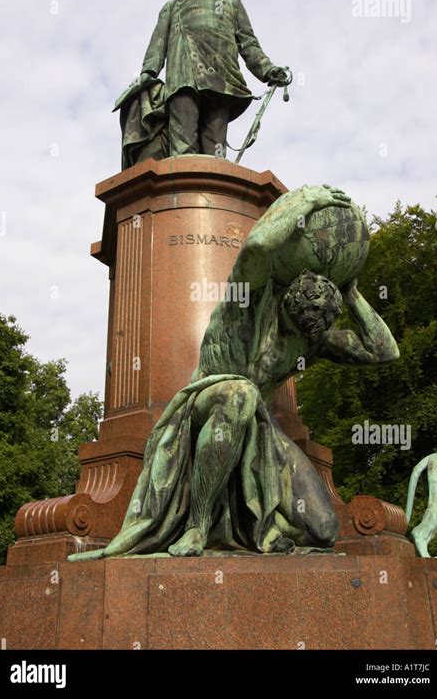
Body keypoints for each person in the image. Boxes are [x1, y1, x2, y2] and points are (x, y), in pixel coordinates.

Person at [68, 185, 400, 561]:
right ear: (289, 296)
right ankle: (197, 525)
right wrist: (306, 202)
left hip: (258, 426)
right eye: (303, 317)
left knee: (324, 529)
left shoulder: (312, 338)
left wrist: (351, 291)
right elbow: (257, 247)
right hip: (206, 401)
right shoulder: (249, 300)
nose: (309, 327)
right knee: (239, 393)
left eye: (318, 323)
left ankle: (256, 526)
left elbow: (383, 350)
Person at [133, 0, 290, 157]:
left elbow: (248, 43)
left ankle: (215, 185)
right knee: (183, 143)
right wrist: (148, 71)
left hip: (221, 77)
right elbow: (158, 42)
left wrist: (267, 70)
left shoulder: (230, 2)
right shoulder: (172, 6)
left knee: (215, 147)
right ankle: (183, 182)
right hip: (183, 75)